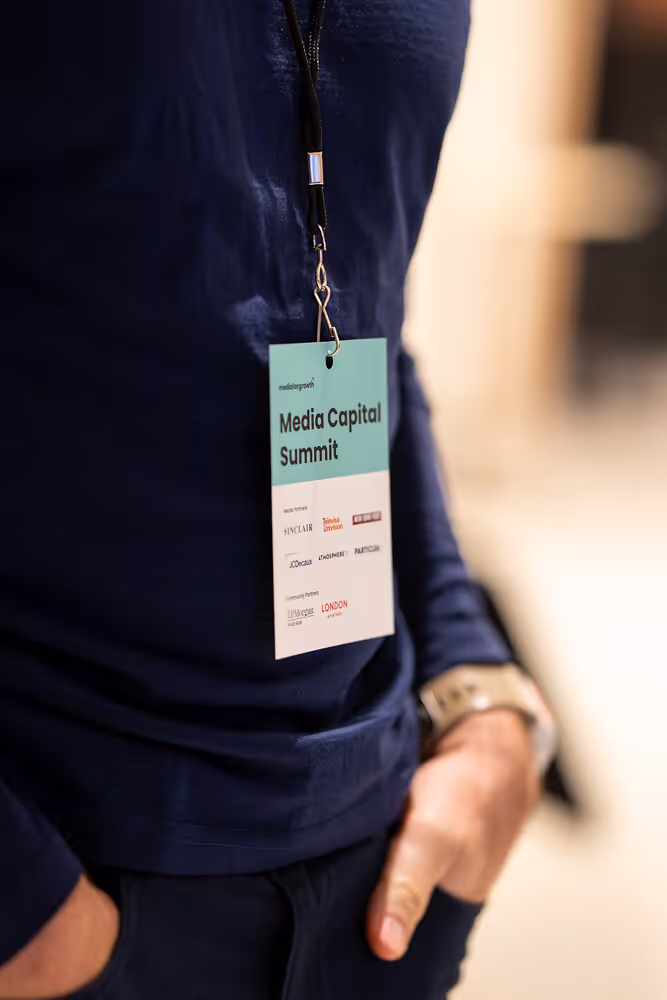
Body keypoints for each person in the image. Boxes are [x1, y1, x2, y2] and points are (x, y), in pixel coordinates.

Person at [0, 2, 554, 998]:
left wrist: (475, 678)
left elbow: (361, 307)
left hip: (378, 886)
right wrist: (26, 913)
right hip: (64, 878)